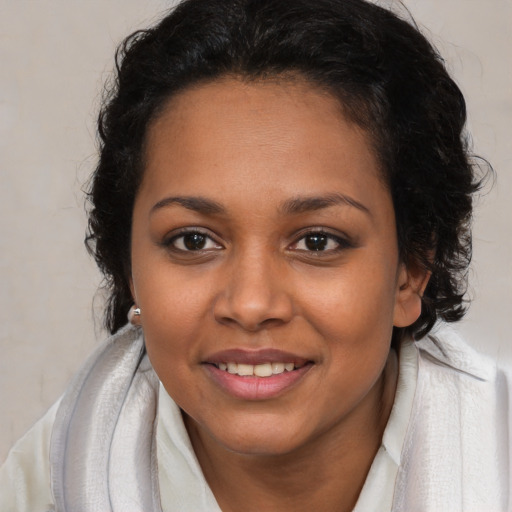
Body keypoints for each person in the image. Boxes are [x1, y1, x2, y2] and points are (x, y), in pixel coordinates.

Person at [1, 0, 510, 510]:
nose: (250, 304)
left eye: (317, 241)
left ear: (411, 272)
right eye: (193, 240)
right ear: (129, 268)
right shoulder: (53, 479)